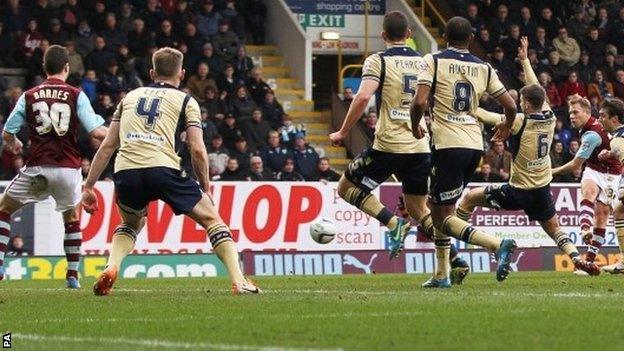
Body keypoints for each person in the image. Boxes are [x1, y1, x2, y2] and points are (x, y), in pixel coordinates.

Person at [81, 47, 260, 296]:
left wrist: (89, 186)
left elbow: (108, 145)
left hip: (127, 171)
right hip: (162, 168)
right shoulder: (187, 101)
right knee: (212, 220)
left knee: (131, 223)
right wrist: (205, 188)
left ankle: (112, 266)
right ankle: (239, 281)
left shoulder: (129, 97)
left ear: (152, 72)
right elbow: (197, 149)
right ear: (183, 73)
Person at [330, 11, 460, 272]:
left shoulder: (378, 61)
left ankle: (392, 224)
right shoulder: (427, 62)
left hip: (389, 145)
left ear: (383, 35)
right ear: (409, 35)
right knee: (418, 209)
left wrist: (343, 131)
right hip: (420, 144)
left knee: (345, 187)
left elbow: (364, 97)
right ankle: (454, 258)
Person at [462, 37, 599, 277]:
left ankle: (463, 245)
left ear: (525, 103)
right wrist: (525, 61)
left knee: (470, 199)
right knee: (554, 228)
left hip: (518, 190)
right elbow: (538, 89)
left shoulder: (518, 122)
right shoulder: (549, 116)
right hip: (542, 188)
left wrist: (465, 102)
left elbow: (483, 115)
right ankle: (577, 258)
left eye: (521, 100)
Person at [410, 16, 518, 287]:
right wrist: (505, 125)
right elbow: (511, 105)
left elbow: (420, 101)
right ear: (471, 39)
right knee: (441, 210)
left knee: (441, 217)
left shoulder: (433, 60)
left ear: (445, 36)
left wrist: (415, 125)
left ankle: (495, 245)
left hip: (448, 145)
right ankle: (442, 274)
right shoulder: (484, 67)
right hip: (474, 147)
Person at [0, 45, 108, 288]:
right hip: (69, 170)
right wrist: (122, 134)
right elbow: (97, 131)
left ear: (43, 68)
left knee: (3, 209)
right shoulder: (76, 94)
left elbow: (7, 133)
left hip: (38, 167)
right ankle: (72, 276)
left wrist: (15, 144)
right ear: (67, 68)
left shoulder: (28, 96)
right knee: (71, 217)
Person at [552, 95, 621, 273]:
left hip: (613, 174)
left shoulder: (592, 134)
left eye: (575, 112)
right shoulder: (592, 127)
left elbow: (575, 164)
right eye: (570, 113)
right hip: (594, 169)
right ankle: (584, 229)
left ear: (587, 113)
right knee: (589, 191)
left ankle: (589, 261)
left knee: (602, 215)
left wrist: (551, 172)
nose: (572, 116)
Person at [596, 98, 624, 273]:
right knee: (620, 210)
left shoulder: (617, 140)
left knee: (620, 207)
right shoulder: (618, 138)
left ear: (614, 119)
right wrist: (610, 154)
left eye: (602, 116)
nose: (599, 119)